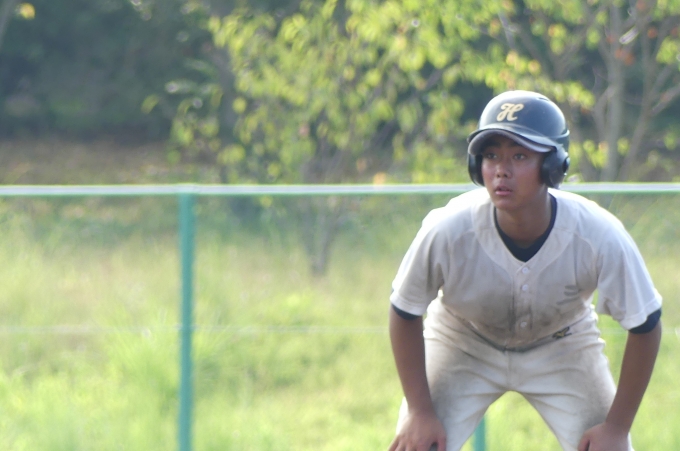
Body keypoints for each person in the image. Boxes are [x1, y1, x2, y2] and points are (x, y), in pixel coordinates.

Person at [387, 90, 662, 451]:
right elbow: (404, 310)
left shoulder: (598, 234)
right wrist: (420, 411)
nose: (501, 169)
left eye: (519, 155)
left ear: (553, 166)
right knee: (419, 444)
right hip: (462, 340)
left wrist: (617, 426)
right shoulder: (448, 228)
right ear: (476, 166)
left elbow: (645, 325)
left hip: (562, 343)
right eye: (491, 155)